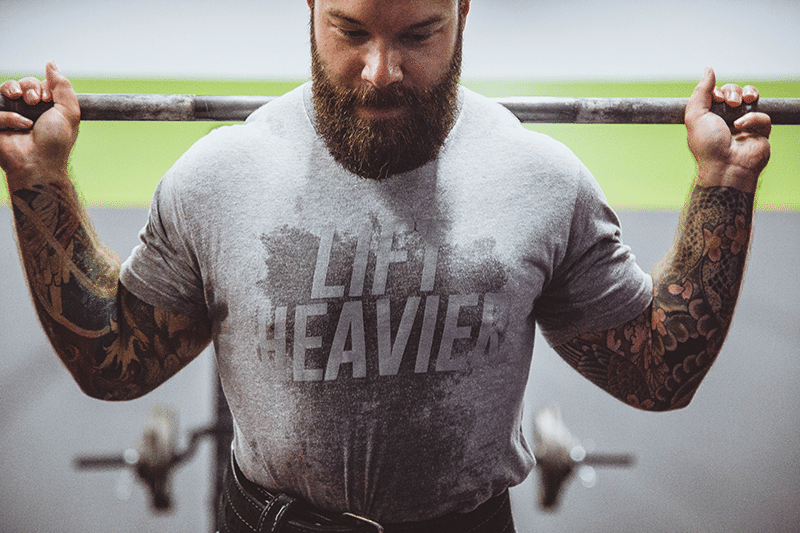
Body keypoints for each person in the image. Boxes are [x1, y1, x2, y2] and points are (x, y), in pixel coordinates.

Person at [0, 0, 772, 532]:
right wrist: (40, 183)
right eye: (351, 30)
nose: (380, 71)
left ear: (464, 11)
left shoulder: (542, 180)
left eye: (417, 34)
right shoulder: (218, 178)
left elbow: (659, 371)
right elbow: (112, 361)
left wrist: (724, 185)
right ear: (308, 10)